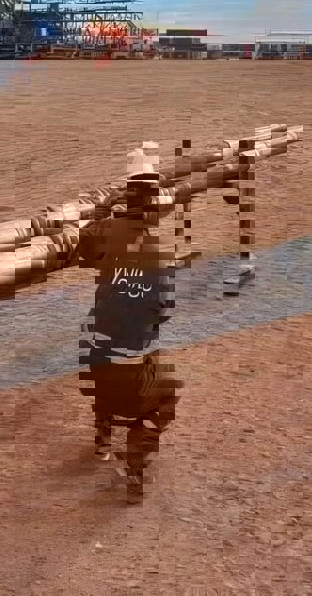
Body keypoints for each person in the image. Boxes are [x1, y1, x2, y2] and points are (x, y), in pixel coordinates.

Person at [73, 153, 190, 503]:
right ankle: (135, 466)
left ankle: (102, 440)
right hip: (132, 363)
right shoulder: (159, 254)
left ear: (125, 199)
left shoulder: (107, 230)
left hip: (95, 355)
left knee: (100, 357)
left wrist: (101, 212)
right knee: (167, 394)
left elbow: (85, 247)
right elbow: (164, 312)